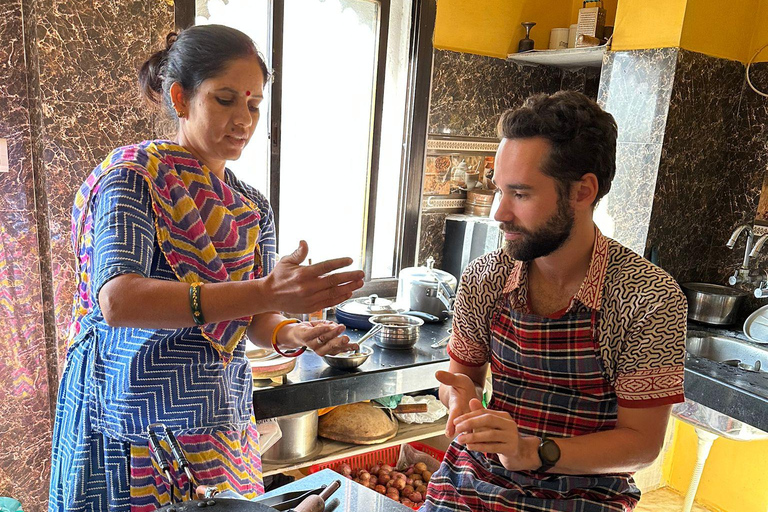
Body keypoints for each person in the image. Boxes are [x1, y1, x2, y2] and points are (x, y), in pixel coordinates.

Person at [49, 25, 364, 511]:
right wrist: (266, 291)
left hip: (218, 415)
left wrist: (293, 335)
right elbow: (118, 300)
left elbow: (255, 322)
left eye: (254, 105)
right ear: (180, 96)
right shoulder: (133, 178)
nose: (243, 119)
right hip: (130, 414)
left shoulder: (251, 205)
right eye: (225, 100)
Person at [424, 91, 687, 512]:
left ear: (583, 191)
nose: (499, 214)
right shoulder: (485, 278)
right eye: (498, 191)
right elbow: (463, 381)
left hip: (587, 493)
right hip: (474, 480)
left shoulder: (647, 298)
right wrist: (459, 400)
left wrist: (532, 451)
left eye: (521, 194)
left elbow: (641, 446)